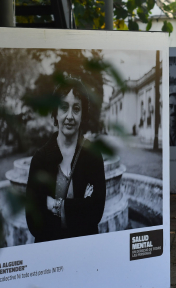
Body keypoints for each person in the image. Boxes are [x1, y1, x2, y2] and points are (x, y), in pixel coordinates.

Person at [26, 79, 106, 243]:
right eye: (64, 108)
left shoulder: (93, 156)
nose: (70, 116)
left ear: (82, 113)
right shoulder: (40, 159)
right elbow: (34, 222)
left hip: (84, 249)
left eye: (76, 109)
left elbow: (95, 213)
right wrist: (80, 205)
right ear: (55, 112)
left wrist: (52, 205)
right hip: (49, 250)